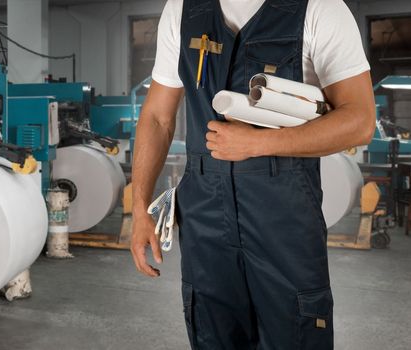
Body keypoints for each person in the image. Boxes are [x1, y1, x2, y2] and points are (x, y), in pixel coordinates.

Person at [130, 0, 376, 348]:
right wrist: (140, 208)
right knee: (213, 335)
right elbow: (157, 117)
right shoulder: (183, 10)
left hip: (283, 217)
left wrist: (259, 143)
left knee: (294, 333)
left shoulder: (320, 8)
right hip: (205, 217)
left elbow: (360, 121)